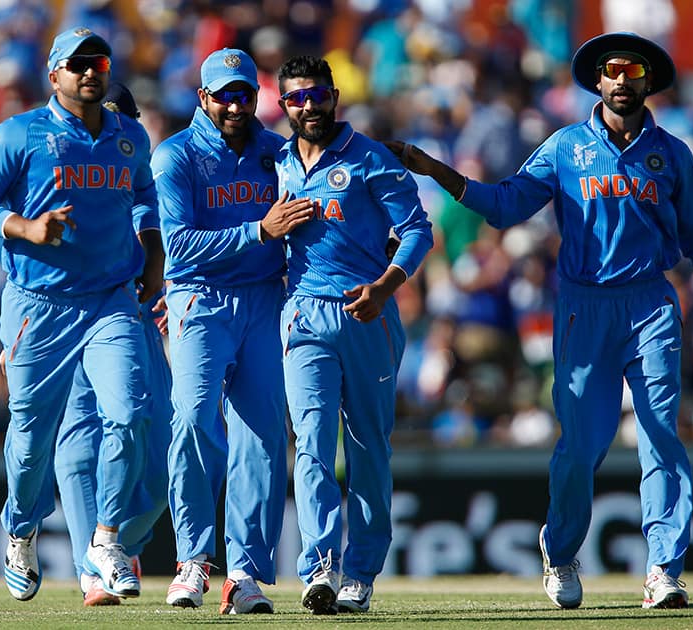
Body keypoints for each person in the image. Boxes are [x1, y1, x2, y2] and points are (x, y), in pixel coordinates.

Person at [385, 32, 693, 610]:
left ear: (647, 83)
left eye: (635, 72)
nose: (623, 81)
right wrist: (438, 171)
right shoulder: (564, 148)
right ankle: (559, 553)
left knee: (660, 435)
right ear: (598, 81)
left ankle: (665, 569)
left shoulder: (673, 153)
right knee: (583, 446)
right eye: (613, 70)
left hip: (652, 303)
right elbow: (507, 206)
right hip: (584, 305)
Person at [0, 27, 162, 602]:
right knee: (30, 440)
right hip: (38, 306)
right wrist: (26, 228)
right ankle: (21, 530)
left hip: (110, 300)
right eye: (77, 65)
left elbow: (145, 194)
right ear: (54, 75)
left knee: (129, 412)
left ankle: (104, 540)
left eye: (98, 62)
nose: (90, 72)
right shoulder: (18, 134)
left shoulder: (129, 136)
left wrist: (151, 251)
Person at [151, 48, 313, 614]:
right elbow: (178, 246)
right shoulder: (176, 156)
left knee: (263, 438)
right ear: (203, 98)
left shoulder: (278, 151)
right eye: (224, 95)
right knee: (194, 420)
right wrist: (259, 232)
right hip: (199, 301)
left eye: (245, 94)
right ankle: (192, 561)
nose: (236, 105)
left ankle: (245, 574)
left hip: (266, 301)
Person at [274, 55, 433, 615]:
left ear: (335, 95)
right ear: (283, 105)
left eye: (316, 95)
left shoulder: (371, 157)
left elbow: (417, 231)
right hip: (305, 315)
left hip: (368, 313)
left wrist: (386, 286)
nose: (309, 106)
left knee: (367, 447)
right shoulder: (277, 161)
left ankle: (360, 572)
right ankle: (319, 563)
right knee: (313, 442)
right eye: (297, 98)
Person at [51, 82, 172, 606]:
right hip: (75, 317)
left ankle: (122, 541)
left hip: (140, 318)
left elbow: (170, 231)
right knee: (79, 446)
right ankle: (93, 568)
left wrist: (175, 284)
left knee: (161, 446)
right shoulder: (61, 168)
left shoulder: (143, 165)